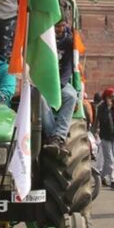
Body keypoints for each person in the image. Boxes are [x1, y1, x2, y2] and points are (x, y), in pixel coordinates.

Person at [41, 19, 78, 156]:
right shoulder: (41, 39)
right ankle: (53, 136)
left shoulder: (68, 42)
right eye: (57, 26)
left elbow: (68, 67)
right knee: (39, 98)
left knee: (71, 95)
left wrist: (59, 85)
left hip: (59, 82)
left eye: (62, 26)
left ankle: (59, 136)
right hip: (41, 81)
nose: (60, 29)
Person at [92, 87, 114, 191]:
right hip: (105, 136)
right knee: (110, 160)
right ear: (106, 97)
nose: (112, 99)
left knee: (110, 160)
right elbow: (101, 120)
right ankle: (113, 181)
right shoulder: (101, 107)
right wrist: (108, 108)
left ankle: (101, 177)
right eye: (110, 97)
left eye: (113, 97)